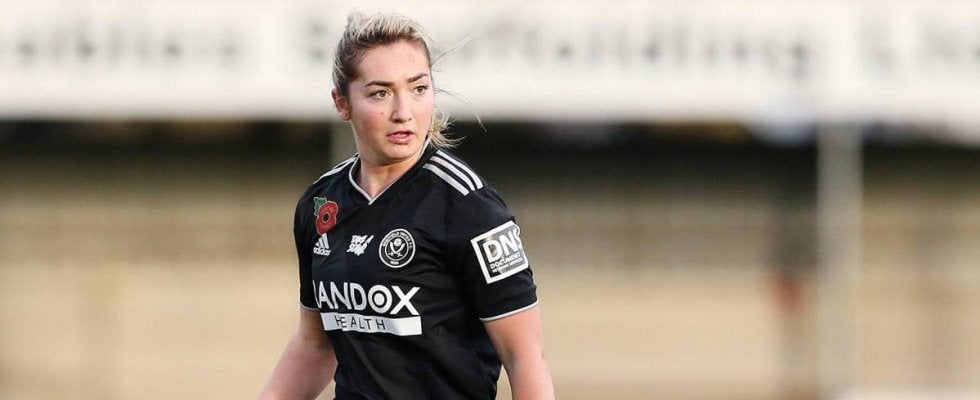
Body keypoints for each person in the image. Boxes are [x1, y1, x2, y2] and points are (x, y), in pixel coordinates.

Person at [258, 11, 555, 400]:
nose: (403, 112)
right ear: (342, 103)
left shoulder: (469, 206)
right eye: (380, 93)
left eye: (418, 88)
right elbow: (316, 344)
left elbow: (524, 357)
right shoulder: (321, 203)